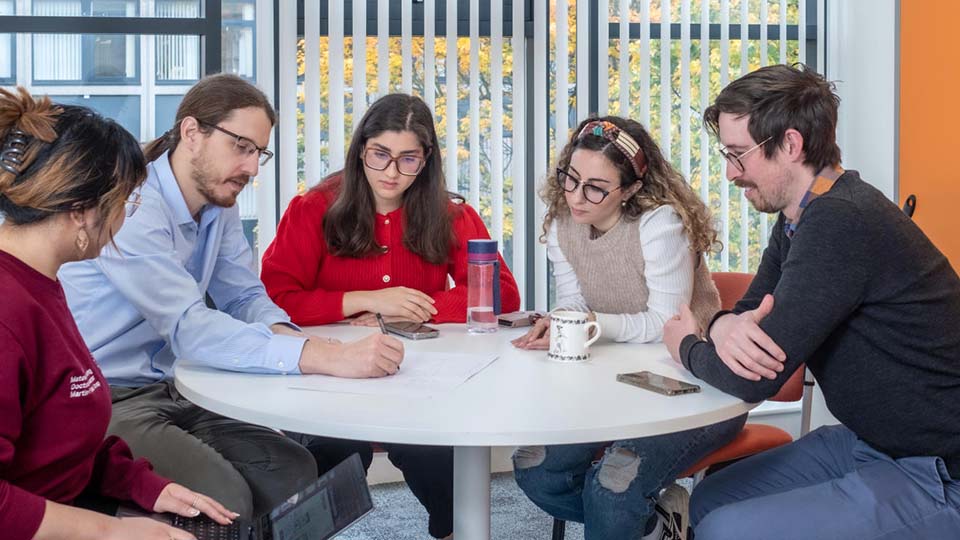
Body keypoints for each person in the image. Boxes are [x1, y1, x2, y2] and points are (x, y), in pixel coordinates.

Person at [58, 73, 405, 521]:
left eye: (259, 153)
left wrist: (292, 337)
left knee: (295, 473)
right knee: (225, 499)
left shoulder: (218, 201)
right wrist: (318, 356)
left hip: (178, 386)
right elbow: (189, 327)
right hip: (107, 396)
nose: (253, 168)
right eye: (241, 147)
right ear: (191, 133)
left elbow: (243, 295)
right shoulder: (135, 206)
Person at [662, 64, 960, 539]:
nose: (729, 172)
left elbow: (749, 377)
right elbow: (747, 315)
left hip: (938, 471)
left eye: (739, 155)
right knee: (710, 497)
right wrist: (718, 324)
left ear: (792, 145)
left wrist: (685, 345)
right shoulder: (800, 218)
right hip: (872, 443)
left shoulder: (842, 221)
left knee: (729, 530)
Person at [260, 93, 520, 540]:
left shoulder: (451, 214)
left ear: (428, 159)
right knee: (332, 457)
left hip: (418, 378)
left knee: (436, 457)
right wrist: (370, 300)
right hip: (331, 379)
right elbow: (275, 297)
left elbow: (502, 296)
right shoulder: (315, 209)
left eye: (408, 160)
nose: (391, 173)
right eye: (380, 155)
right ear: (362, 148)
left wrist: (412, 310)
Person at [0, 87, 236, 540]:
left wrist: (146, 487)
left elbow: (60, 439)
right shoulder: (8, 311)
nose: (127, 219)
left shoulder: (43, 284)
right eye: (125, 203)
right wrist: (110, 532)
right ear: (79, 213)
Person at [510, 116, 746, 540]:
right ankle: (657, 523)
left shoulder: (661, 225)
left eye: (596, 187)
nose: (576, 197)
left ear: (631, 189)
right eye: (570, 178)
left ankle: (631, 516)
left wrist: (591, 324)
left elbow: (664, 325)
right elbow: (573, 300)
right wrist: (562, 321)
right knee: (535, 468)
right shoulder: (565, 224)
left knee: (612, 489)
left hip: (700, 387)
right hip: (616, 386)